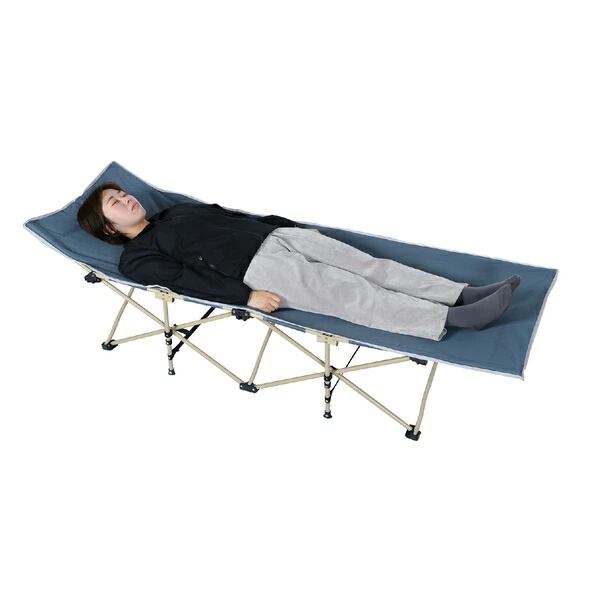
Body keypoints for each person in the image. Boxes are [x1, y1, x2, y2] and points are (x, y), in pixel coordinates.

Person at [76, 182, 519, 341]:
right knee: (355, 295)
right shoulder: (138, 257)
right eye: (116, 203)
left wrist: (290, 227)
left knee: (375, 267)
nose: (127, 199)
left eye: (123, 193)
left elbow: (233, 216)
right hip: (258, 271)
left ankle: (460, 293)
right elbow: (186, 280)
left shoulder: (175, 212)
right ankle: (453, 319)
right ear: (108, 229)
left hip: (280, 237)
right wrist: (244, 296)